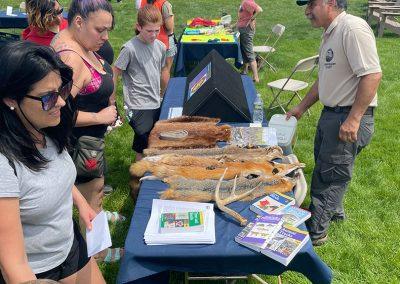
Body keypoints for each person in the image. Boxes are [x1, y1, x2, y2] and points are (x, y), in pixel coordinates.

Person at [0, 41, 105, 283]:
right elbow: (14, 265)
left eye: (61, 90)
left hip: (69, 247)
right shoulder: (5, 165)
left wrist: (81, 203)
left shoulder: (46, 129)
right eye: (47, 97)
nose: (59, 102)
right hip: (36, 270)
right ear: (10, 99)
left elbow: (54, 175)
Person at [288, 0, 382, 246]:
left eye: (311, 4)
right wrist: (301, 107)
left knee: (330, 175)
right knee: (326, 165)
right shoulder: (330, 33)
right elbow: (324, 79)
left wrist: (353, 119)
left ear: (330, 2)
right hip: (332, 114)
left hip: (348, 116)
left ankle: (316, 232)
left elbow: (372, 74)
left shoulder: (352, 29)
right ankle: (334, 211)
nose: (307, 10)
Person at [51, 0, 123, 261]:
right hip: (81, 144)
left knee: (92, 195)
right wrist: (99, 115)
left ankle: (96, 233)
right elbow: (55, 112)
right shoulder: (70, 57)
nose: (105, 38)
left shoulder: (74, 41)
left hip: (87, 141)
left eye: (108, 31)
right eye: (100, 30)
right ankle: (99, 254)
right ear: (79, 22)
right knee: (93, 196)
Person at [113, 5, 166, 161]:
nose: (154, 35)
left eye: (157, 30)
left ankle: (138, 179)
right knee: (148, 146)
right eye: (149, 31)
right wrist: (111, 99)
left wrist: (162, 93)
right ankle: (138, 182)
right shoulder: (129, 49)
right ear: (138, 27)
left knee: (148, 144)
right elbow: (115, 72)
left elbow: (160, 70)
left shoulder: (161, 47)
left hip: (155, 101)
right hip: (138, 105)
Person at [22, 0, 115, 66]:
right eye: (51, 17)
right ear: (38, 18)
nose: (59, 18)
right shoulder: (33, 45)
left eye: (60, 11)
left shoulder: (70, 25)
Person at [140, 0, 176, 95]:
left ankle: (152, 92)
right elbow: (169, 27)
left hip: (147, 41)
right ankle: (163, 95)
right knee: (165, 69)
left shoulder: (143, 2)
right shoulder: (164, 4)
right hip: (164, 41)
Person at [237, 0, 263, 83]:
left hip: (246, 30)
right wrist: (233, 26)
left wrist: (252, 18)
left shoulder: (246, 2)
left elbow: (259, 9)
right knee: (243, 50)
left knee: (248, 52)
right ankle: (244, 70)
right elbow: (243, 18)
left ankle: (256, 77)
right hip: (243, 29)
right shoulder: (244, 2)